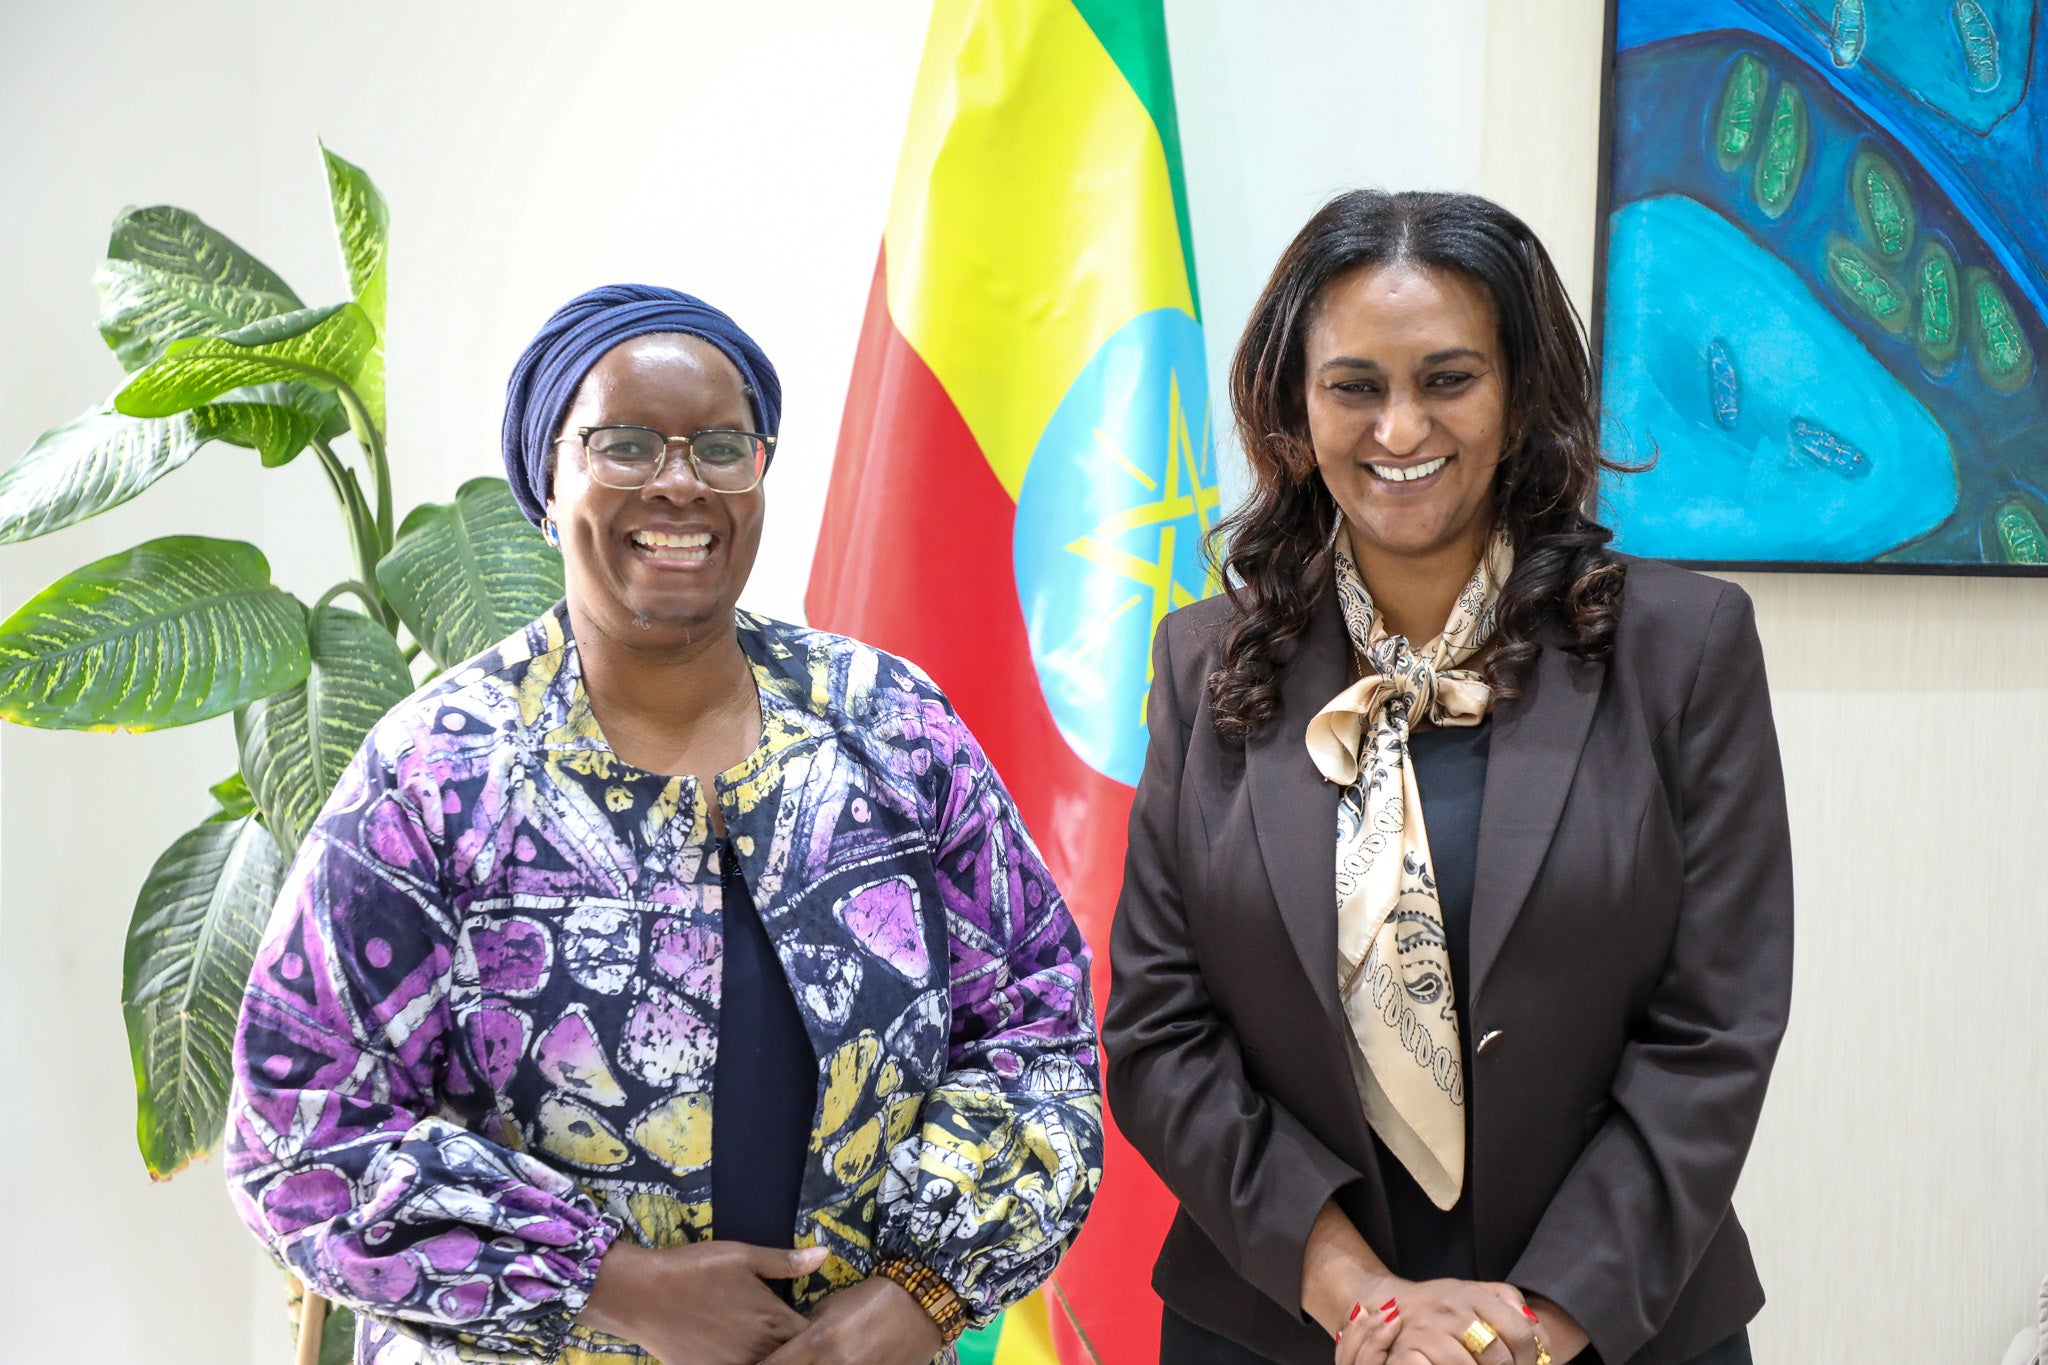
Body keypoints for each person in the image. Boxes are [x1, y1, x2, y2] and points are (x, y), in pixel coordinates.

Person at [227, 285, 1102, 1365]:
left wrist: (916, 1296)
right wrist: (605, 1284)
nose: (679, 483)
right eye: (624, 445)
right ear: (547, 482)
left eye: (721, 447)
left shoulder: (889, 725)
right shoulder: (435, 773)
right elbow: (297, 1130)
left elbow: (1036, 1030)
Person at [1102, 191, 1792, 1365]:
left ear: (1520, 399)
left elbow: (1715, 1024)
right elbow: (1160, 1028)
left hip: (1611, 1324)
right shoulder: (1202, 656)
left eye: (1448, 379)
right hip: (1280, 1322)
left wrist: (1529, 1322)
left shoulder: (1683, 647)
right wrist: (1357, 1297)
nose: (1398, 427)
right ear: (1293, 407)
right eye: (1354, 385)